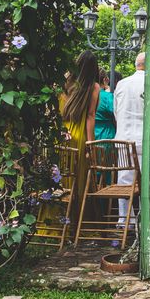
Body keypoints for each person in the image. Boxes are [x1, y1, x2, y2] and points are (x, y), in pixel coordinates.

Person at [39, 51, 100, 235]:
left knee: (60, 176)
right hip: (79, 134)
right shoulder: (93, 87)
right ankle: (75, 225)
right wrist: (90, 144)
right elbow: (90, 116)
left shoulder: (65, 82)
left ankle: (53, 224)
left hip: (62, 134)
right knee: (78, 178)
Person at [114, 52, 146, 226]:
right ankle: (143, 219)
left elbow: (116, 111)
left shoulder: (122, 84)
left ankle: (124, 220)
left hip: (123, 138)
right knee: (144, 183)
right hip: (144, 139)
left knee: (124, 180)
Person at [95, 69, 116, 141]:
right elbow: (115, 112)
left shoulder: (87, 95)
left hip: (90, 133)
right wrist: (107, 88)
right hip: (106, 135)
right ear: (105, 79)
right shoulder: (107, 96)